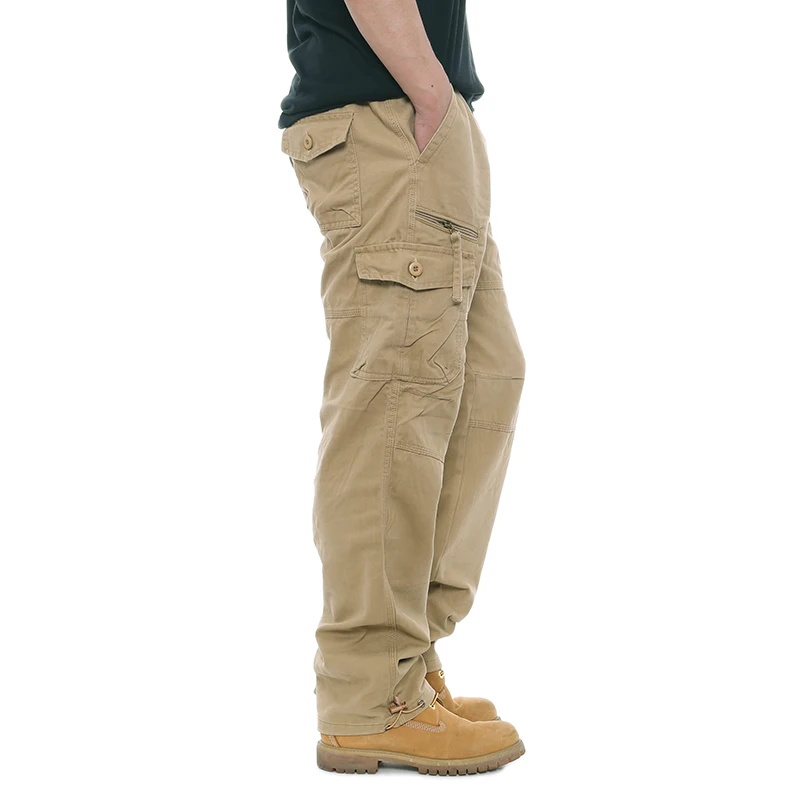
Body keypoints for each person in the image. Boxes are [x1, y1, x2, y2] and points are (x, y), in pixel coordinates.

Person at [279, 0, 527, 776]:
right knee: (393, 404)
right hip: (389, 112)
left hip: (418, 114)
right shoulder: (412, 103)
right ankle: (368, 692)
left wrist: (443, 109)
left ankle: (406, 660)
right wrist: (430, 95)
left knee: (488, 377)